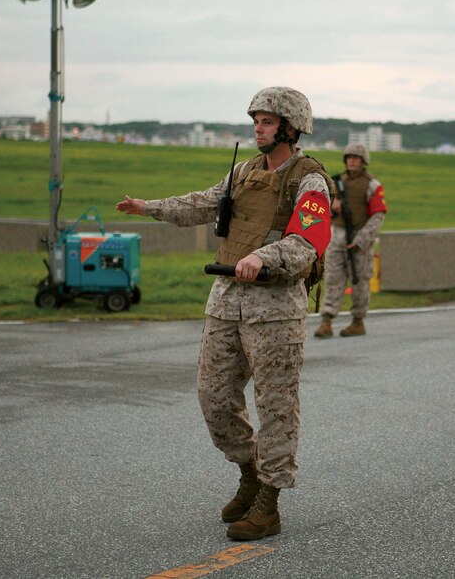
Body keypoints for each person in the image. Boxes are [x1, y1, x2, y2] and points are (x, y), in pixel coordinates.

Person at [115, 86, 333, 541]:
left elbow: (308, 242)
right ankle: (249, 471)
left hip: (274, 311)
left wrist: (264, 258)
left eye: (268, 121)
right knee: (213, 398)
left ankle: (269, 501)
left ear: (291, 128)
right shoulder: (245, 170)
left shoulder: (310, 181)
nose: (258, 127)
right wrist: (147, 207)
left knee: (275, 407)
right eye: (256, 119)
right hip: (225, 302)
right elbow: (202, 202)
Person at [314, 143, 386, 338]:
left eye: (356, 157)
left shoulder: (372, 185)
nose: (352, 161)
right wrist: (332, 205)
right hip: (337, 235)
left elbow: (378, 214)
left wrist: (362, 239)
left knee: (360, 280)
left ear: (364, 161)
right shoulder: (336, 183)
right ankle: (326, 321)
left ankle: (358, 321)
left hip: (360, 235)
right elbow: (320, 209)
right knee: (333, 279)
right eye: (349, 157)